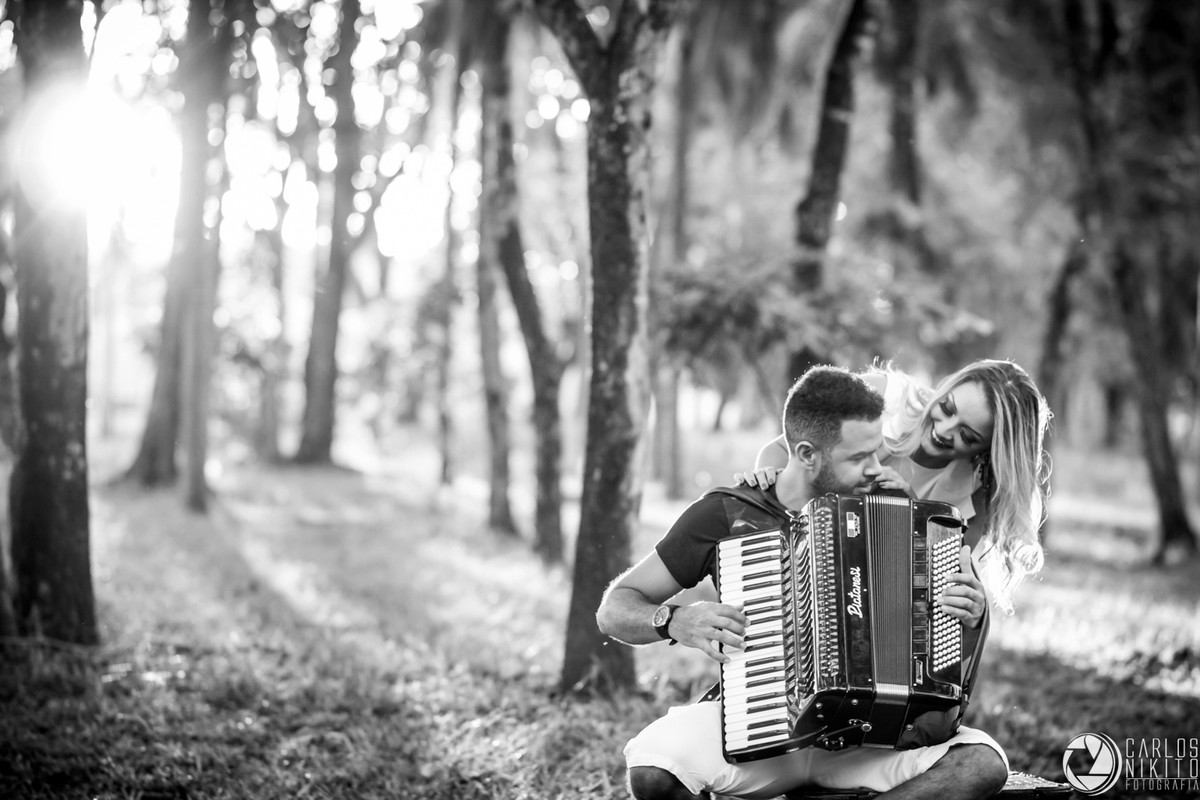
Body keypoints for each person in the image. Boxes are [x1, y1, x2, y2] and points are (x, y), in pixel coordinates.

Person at [596, 366, 1008, 800]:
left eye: (877, 451)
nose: (877, 467)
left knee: (982, 763)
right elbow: (614, 609)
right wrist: (675, 620)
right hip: (765, 729)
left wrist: (972, 613)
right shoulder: (727, 514)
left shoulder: (896, 519)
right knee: (654, 766)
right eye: (858, 458)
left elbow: (939, 661)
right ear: (808, 454)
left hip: (870, 739)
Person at [739, 359, 1052, 613]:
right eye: (946, 407)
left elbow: (938, 589)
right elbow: (783, 450)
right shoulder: (887, 399)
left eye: (967, 436)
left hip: (877, 602)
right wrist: (770, 480)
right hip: (806, 561)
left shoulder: (977, 494)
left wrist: (912, 514)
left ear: (988, 449)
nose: (943, 430)